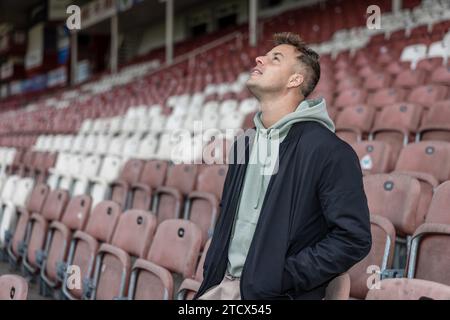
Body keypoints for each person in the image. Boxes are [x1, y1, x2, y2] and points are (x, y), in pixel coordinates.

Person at [195, 32, 372, 300]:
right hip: (220, 287)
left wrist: (281, 277)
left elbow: (352, 239)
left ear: (295, 79)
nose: (259, 59)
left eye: (274, 58)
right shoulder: (245, 144)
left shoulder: (330, 152)